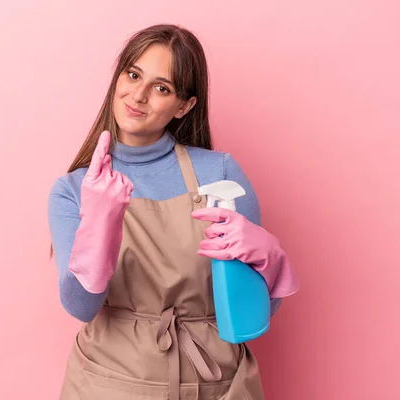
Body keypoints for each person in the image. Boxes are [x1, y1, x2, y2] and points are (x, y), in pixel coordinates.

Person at [48, 24, 299, 400]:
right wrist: (99, 221)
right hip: (109, 383)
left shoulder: (220, 174)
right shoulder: (72, 190)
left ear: (184, 106)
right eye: (133, 75)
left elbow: (255, 314)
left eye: (161, 87)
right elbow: (80, 306)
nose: (139, 95)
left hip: (213, 382)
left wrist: (268, 260)